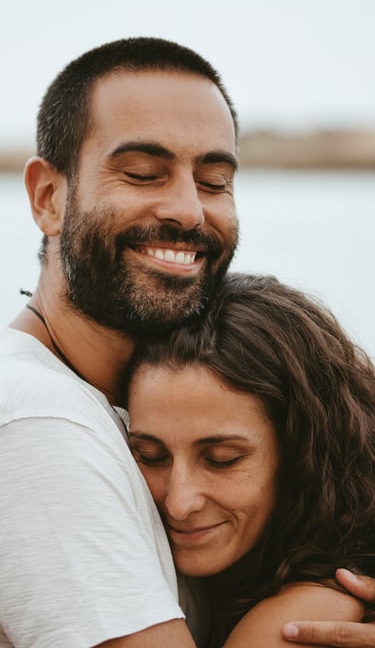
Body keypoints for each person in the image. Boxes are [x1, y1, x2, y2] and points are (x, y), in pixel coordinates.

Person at [0, 36, 374, 648]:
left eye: (214, 180)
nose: (188, 211)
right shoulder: (39, 423)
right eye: (143, 173)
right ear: (48, 198)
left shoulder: (123, 394)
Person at [126, 272, 375, 647]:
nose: (179, 504)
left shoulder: (314, 611)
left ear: (301, 452)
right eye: (151, 455)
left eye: (222, 460)